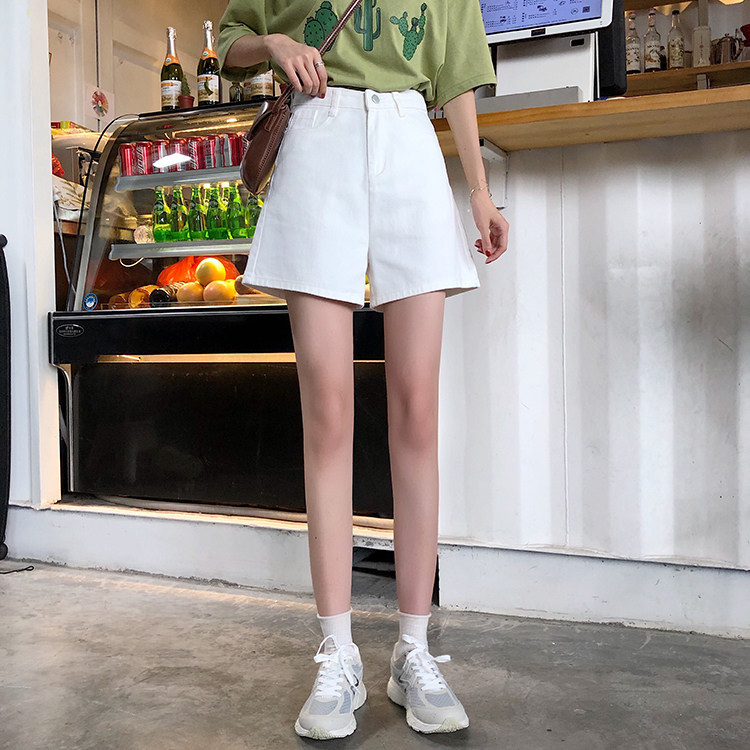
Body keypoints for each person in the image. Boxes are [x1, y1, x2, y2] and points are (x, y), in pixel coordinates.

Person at [218, 0, 509, 739]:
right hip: (318, 137)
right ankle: (337, 652)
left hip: (411, 142)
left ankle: (414, 649)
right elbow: (229, 42)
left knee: (417, 412)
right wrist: (274, 43)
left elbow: (455, 76)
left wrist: (479, 191)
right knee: (328, 414)